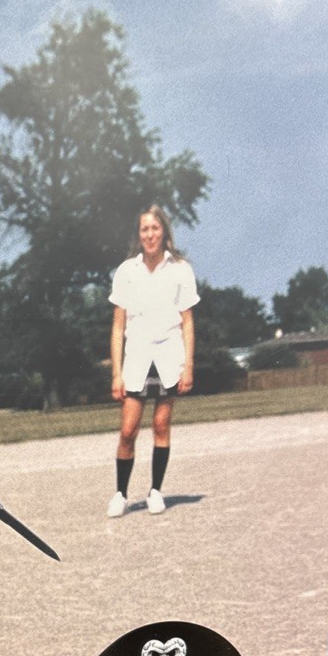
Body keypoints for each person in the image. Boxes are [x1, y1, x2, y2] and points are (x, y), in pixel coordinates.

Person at [106, 205, 199, 517]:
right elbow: (118, 326)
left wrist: (188, 365)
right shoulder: (126, 272)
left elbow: (187, 322)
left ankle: (155, 491)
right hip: (136, 358)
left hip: (169, 356)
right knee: (128, 430)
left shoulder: (181, 270)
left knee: (161, 425)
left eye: (155, 228)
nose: (150, 235)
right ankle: (120, 494)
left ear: (164, 232)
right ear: (139, 234)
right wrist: (116, 373)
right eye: (144, 229)